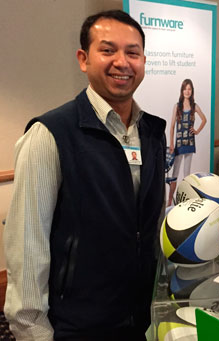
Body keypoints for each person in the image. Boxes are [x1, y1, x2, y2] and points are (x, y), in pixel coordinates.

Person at [4, 10, 166, 341]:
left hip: (140, 317)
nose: (122, 62)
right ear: (83, 59)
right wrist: (33, 332)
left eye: (132, 53)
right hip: (77, 326)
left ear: (143, 61)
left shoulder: (152, 132)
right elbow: (27, 247)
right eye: (108, 50)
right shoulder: (50, 135)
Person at [167, 79, 207, 205]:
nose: (187, 91)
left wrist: (197, 131)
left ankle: (183, 201)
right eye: (185, 89)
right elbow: (172, 126)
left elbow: (204, 119)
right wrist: (172, 143)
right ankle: (169, 201)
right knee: (175, 174)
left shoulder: (194, 106)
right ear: (182, 90)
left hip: (189, 143)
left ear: (192, 91)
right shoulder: (177, 106)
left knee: (186, 174)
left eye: (189, 89)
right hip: (179, 144)